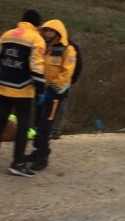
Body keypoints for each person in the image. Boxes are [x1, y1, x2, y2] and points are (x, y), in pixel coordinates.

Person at [0, 9, 45, 177]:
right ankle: (18, 163)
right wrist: (41, 90)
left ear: (22, 20)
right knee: (23, 125)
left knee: (1, 121)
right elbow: (35, 66)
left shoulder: (7, 35)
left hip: (4, 87)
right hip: (23, 90)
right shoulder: (36, 39)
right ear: (37, 24)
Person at [27, 19, 76, 171]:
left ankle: (43, 157)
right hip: (41, 92)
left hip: (54, 94)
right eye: (46, 30)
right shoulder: (44, 47)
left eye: (51, 31)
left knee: (46, 126)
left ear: (58, 32)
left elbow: (67, 72)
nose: (48, 33)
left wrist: (53, 89)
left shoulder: (68, 50)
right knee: (37, 123)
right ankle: (38, 150)